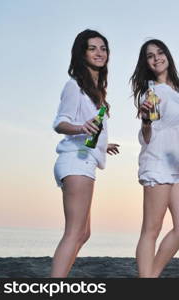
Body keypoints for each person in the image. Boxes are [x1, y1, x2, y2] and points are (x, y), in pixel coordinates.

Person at [51, 29, 120, 277]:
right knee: (74, 232)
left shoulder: (95, 90)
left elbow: (90, 127)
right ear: (82, 53)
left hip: (84, 160)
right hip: (75, 161)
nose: (99, 52)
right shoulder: (75, 86)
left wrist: (103, 144)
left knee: (83, 232)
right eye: (93, 48)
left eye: (103, 48)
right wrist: (80, 127)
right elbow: (60, 123)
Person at [130, 39, 179, 278]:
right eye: (150, 56)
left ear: (167, 56)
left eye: (160, 53)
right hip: (158, 162)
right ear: (146, 63)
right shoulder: (151, 94)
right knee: (151, 229)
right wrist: (146, 120)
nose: (156, 58)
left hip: (177, 165)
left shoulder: (178, 91)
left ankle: (152, 275)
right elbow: (147, 135)